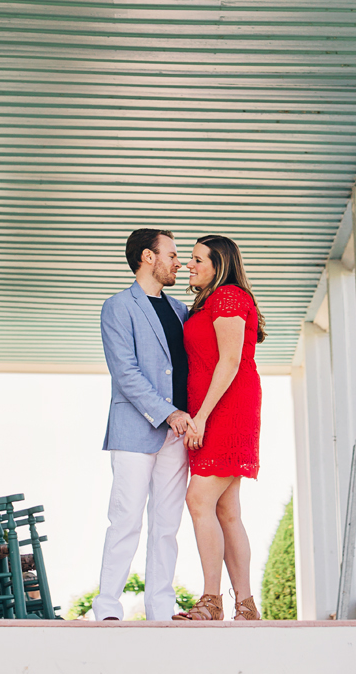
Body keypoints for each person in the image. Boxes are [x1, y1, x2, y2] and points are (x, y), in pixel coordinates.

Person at [93, 228, 197, 622]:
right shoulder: (118, 307)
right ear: (147, 258)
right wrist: (169, 413)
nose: (180, 262)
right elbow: (126, 373)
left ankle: (161, 609)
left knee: (167, 525)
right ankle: (106, 609)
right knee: (125, 520)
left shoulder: (180, 310)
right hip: (136, 430)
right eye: (172, 254)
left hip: (177, 435)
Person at [173, 234, 265, 623]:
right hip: (212, 410)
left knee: (198, 500)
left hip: (227, 410)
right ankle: (245, 606)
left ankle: (212, 600)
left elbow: (228, 361)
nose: (188, 265)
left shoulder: (228, 297)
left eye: (196, 259)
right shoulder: (208, 301)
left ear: (219, 264)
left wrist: (203, 416)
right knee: (226, 510)